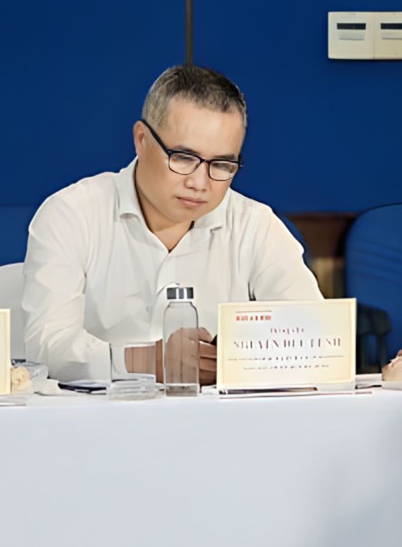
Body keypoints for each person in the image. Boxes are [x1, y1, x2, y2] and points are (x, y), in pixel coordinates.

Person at [23, 64, 322, 383]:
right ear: (141, 139)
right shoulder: (71, 214)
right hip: (98, 411)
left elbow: (313, 337)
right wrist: (144, 360)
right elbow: (46, 346)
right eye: (183, 158)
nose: (199, 183)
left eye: (222, 164)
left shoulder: (256, 225)